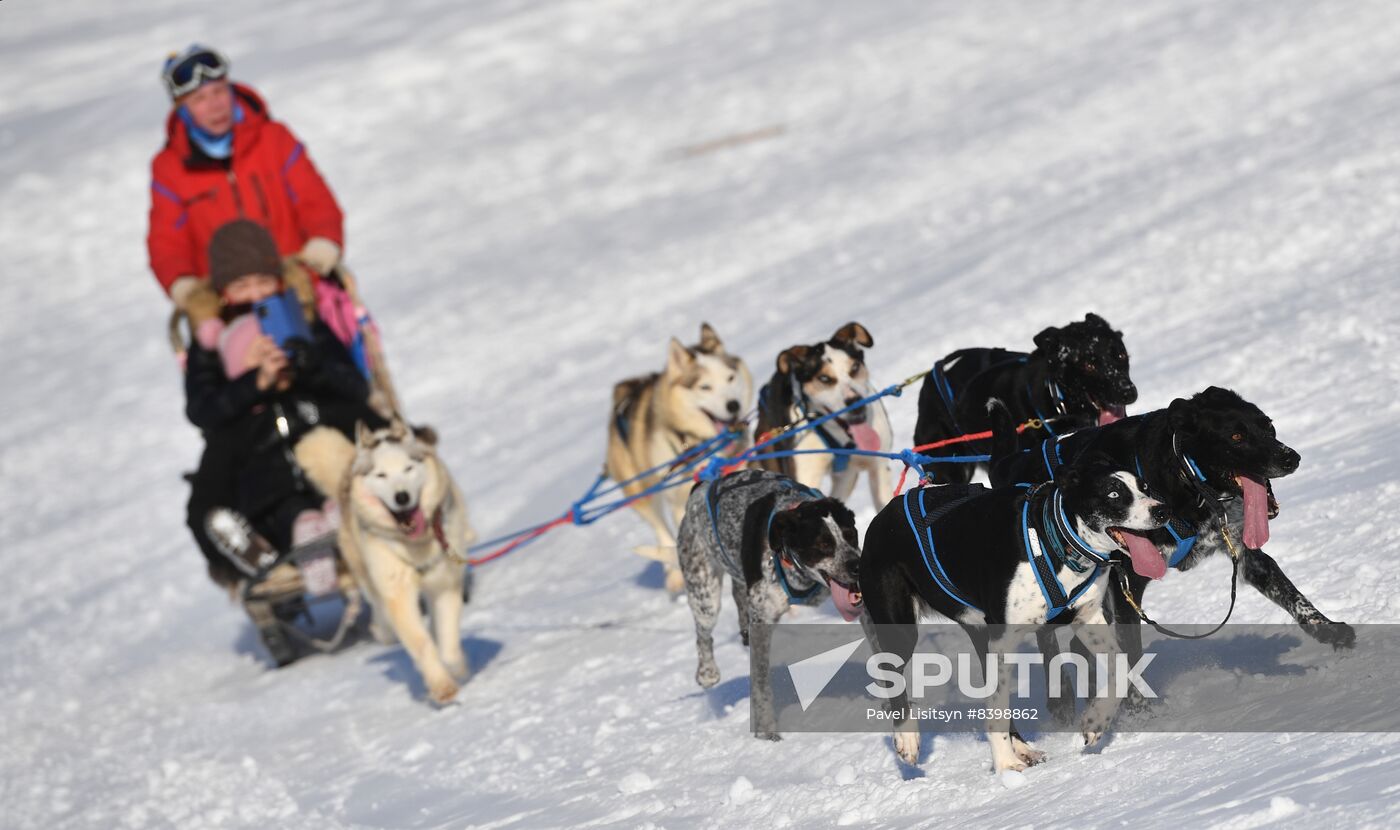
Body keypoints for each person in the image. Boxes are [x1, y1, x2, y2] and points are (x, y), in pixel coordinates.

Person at [186, 219, 383, 589]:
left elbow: (353, 385)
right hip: (254, 439)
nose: (255, 294)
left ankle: (339, 515)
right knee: (227, 489)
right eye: (241, 285)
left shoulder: (303, 319)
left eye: (263, 281)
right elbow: (202, 409)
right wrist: (251, 382)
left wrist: (309, 365)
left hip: (313, 417)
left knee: (347, 437)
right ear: (224, 292)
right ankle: (270, 550)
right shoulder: (210, 341)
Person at [147, 45, 345, 346]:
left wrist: (320, 249)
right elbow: (166, 241)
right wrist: (185, 287)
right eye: (200, 99)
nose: (215, 106)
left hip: (298, 286)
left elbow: (315, 201)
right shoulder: (170, 170)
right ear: (181, 109)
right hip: (228, 306)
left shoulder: (274, 139)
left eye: (219, 92)